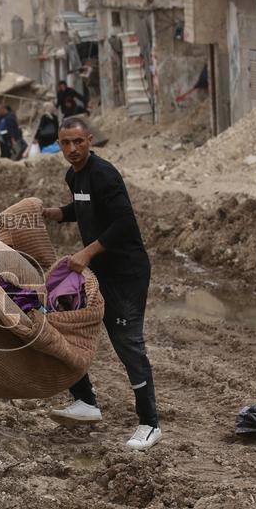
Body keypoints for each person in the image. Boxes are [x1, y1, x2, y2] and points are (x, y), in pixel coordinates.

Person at [42, 116, 161, 451]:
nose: (72, 149)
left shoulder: (104, 174)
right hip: (99, 273)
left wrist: (87, 252)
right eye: (66, 143)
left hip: (126, 273)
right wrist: (58, 213)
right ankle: (86, 402)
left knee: (127, 344)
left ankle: (150, 423)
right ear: (59, 145)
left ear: (90, 140)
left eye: (78, 142)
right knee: (66, 326)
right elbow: (86, 207)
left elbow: (124, 222)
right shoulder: (73, 176)